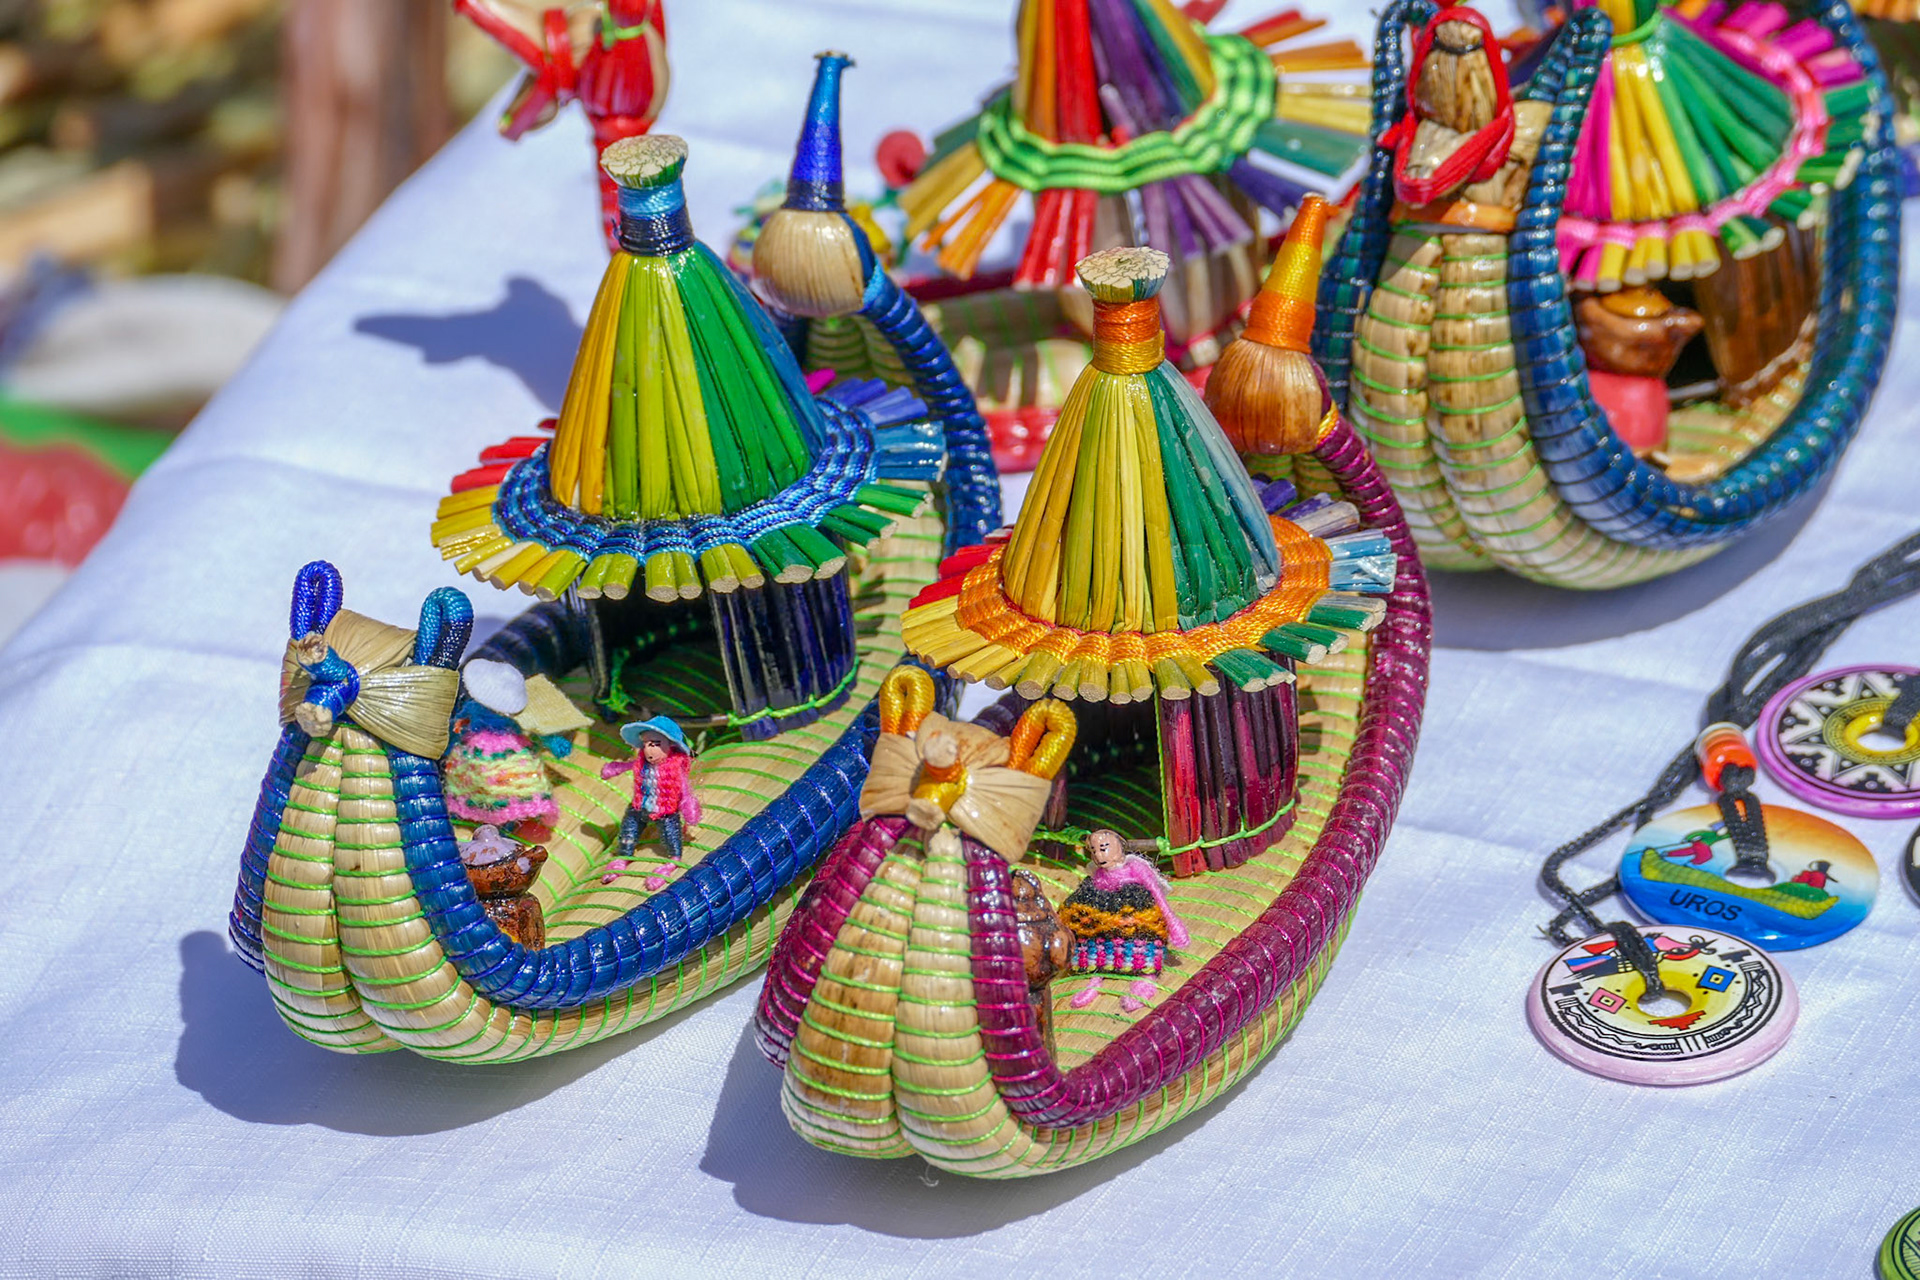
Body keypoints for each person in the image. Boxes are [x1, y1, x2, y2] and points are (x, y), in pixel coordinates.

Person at [1057, 829, 1191, 1013]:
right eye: (1093, 851)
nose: (1098, 855)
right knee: (1094, 940)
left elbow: (1157, 894)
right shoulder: (1097, 875)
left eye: (1103, 848)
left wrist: (1173, 923)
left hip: (1137, 918)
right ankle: (1095, 977)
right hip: (1107, 920)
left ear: (1119, 847)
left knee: (1143, 943)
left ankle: (1146, 976)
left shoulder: (1136, 868)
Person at [599, 715, 700, 890]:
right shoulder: (641, 763)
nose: (648, 750)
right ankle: (623, 857)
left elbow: (684, 789)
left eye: (655, 744)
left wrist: (689, 807)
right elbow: (628, 766)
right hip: (639, 808)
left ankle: (672, 862)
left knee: (672, 841)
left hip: (666, 812)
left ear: (670, 745)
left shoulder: (675, 766)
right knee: (628, 833)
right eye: (645, 744)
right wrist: (614, 769)